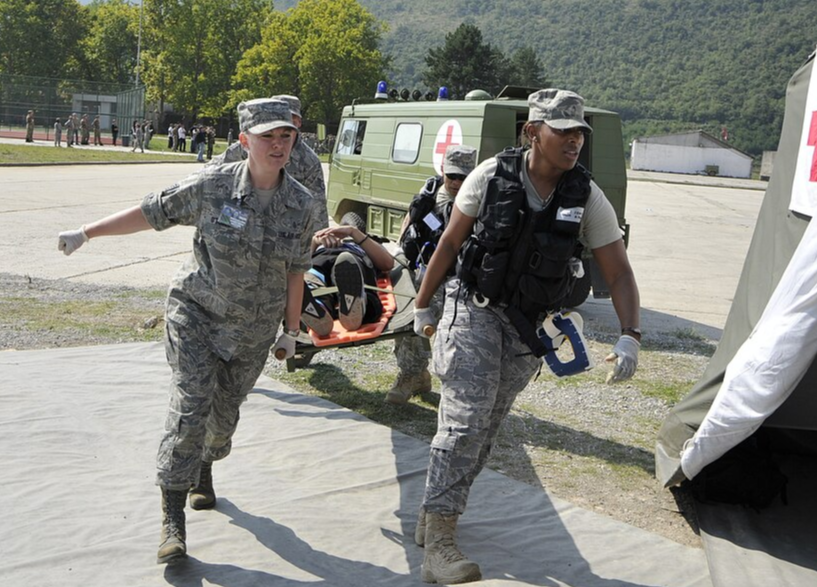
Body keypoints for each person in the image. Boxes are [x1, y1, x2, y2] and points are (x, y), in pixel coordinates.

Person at [57, 98, 315, 565]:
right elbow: (152, 212)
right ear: (244, 141)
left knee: (222, 423)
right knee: (189, 407)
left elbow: (297, 270)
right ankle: (172, 519)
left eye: (286, 137)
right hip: (196, 315)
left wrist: (291, 331)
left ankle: (206, 465)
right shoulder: (212, 186)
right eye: (267, 137)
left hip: (253, 333)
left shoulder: (301, 203)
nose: (279, 146)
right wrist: (86, 233)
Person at [409, 88, 641, 584]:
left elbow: (618, 272)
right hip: (473, 310)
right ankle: (443, 541)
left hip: (527, 328)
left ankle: (435, 513)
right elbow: (450, 241)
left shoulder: (586, 195)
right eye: (563, 131)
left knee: (486, 429)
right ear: (533, 131)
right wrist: (423, 305)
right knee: (465, 421)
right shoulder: (491, 177)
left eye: (580, 132)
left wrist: (631, 335)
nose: (574, 141)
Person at [387, 144, 477, 405]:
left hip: (460, 277)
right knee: (407, 323)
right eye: (453, 176)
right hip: (425, 273)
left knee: (459, 336)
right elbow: (410, 225)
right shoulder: (428, 195)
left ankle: (459, 390)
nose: (458, 183)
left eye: (464, 177)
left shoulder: (480, 199)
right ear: (442, 171)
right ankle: (412, 374)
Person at [210, 94, 329, 230]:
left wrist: (320, 242)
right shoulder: (251, 145)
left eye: (291, 119)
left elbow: (317, 207)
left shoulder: (308, 161)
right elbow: (212, 171)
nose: (284, 123)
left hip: (282, 223)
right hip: (242, 213)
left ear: (299, 122)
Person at [300, 224, 393, 336]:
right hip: (320, 259)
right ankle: (318, 307)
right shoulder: (319, 246)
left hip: (352, 261)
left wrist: (353, 232)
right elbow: (299, 264)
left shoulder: (364, 244)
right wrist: (315, 242)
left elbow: (387, 264)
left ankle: (349, 304)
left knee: (348, 265)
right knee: (311, 276)